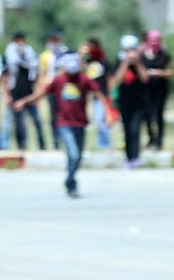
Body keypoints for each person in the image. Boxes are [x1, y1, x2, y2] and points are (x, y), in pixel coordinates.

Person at [15, 52, 112, 198]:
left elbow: (99, 93)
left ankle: (70, 179)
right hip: (64, 123)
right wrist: (24, 101)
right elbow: (41, 93)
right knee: (73, 153)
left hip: (80, 123)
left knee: (78, 156)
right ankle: (70, 182)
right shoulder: (59, 80)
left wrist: (108, 112)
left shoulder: (83, 79)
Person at [4, 32, 47, 151]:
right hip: (16, 95)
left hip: (29, 95)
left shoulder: (30, 57)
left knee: (37, 121)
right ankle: (21, 146)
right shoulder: (9, 58)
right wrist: (8, 96)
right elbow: (5, 78)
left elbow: (36, 78)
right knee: (18, 124)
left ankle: (42, 145)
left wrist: (35, 97)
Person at [112, 35, 150, 168]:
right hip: (124, 102)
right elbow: (117, 80)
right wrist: (126, 63)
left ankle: (136, 157)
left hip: (139, 102)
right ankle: (128, 157)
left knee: (135, 129)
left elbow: (145, 78)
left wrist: (138, 62)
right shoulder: (120, 60)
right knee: (127, 130)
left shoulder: (142, 60)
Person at [141, 30, 173, 150]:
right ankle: (151, 138)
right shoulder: (142, 55)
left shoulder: (165, 55)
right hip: (146, 91)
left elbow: (171, 72)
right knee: (147, 115)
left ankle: (159, 141)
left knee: (159, 115)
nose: (154, 42)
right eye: (152, 40)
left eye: (157, 40)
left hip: (161, 90)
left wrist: (160, 73)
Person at [80, 39, 113, 149]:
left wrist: (110, 94)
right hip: (90, 95)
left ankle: (105, 144)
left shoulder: (103, 61)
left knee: (99, 120)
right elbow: (79, 70)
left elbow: (109, 79)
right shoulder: (88, 61)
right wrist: (80, 54)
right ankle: (102, 144)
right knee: (96, 120)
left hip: (102, 95)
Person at [39, 30, 69, 147]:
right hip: (51, 87)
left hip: (63, 88)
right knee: (53, 115)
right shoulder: (45, 56)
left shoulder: (65, 53)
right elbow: (43, 73)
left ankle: (65, 138)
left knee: (65, 113)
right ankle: (56, 139)